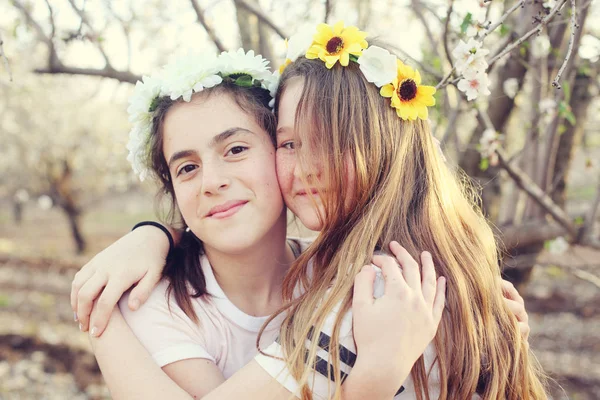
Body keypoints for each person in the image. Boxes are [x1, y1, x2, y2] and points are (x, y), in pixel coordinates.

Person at [73, 22, 537, 399]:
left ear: (384, 148)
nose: (307, 167)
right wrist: (156, 235)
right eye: (291, 143)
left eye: (330, 142)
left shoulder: (374, 288)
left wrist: (101, 320)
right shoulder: (379, 266)